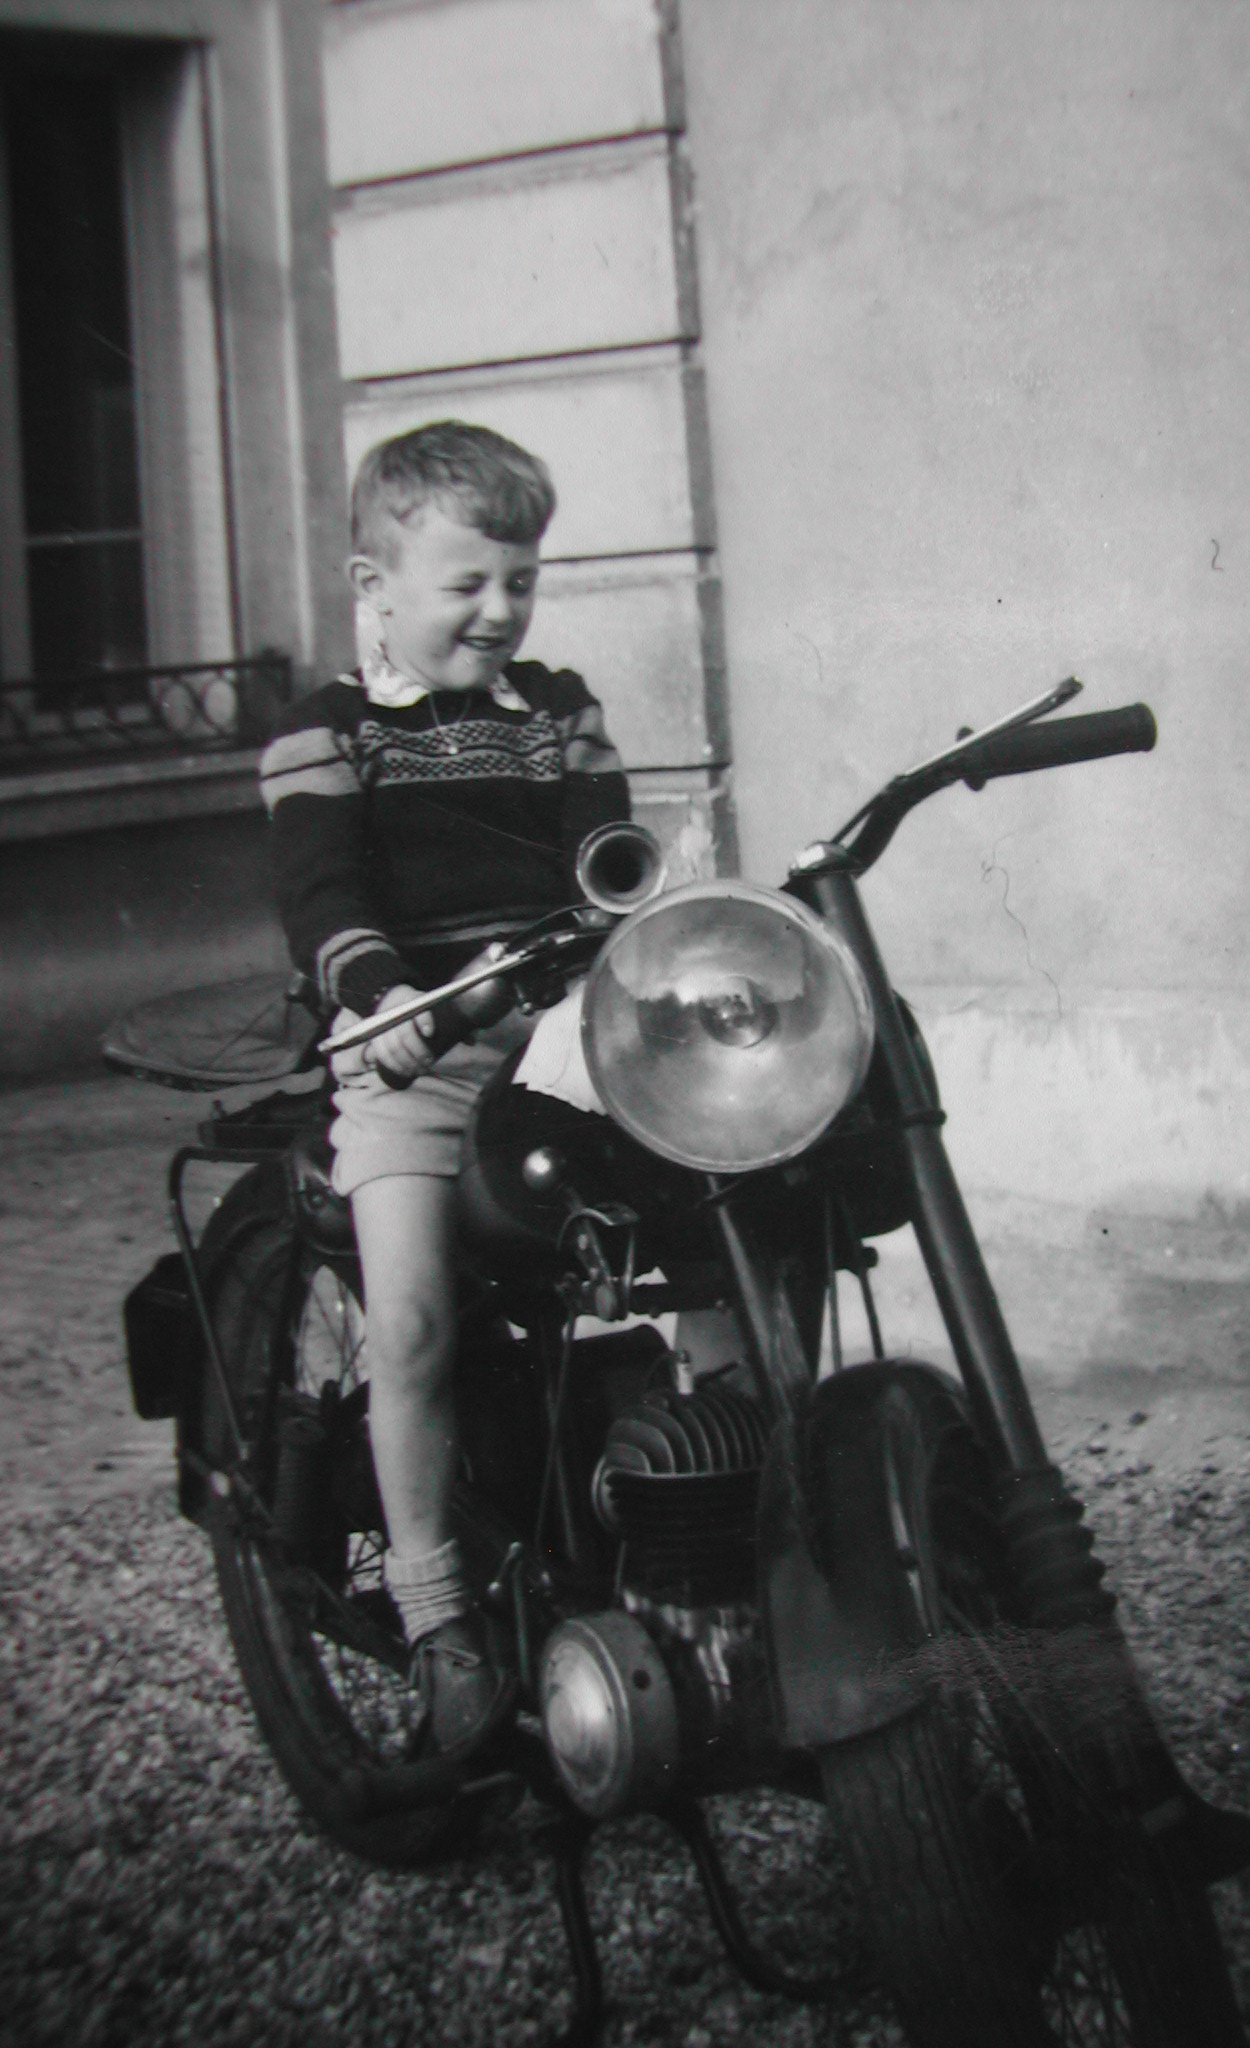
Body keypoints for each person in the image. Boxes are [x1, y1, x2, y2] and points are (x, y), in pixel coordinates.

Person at [258, 421, 629, 1751]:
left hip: (561, 1042)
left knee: (713, 1211)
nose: (500, 609)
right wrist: (381, 1004)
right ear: (376, 588)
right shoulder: (326, 734)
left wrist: (618, 918)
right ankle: (436, 1617)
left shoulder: (559, 711)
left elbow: (607, 855)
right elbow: (322, 895)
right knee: (410, 1320)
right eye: (467, 583)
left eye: (520, 581)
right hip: (413, 1054)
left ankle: (718, 1515)